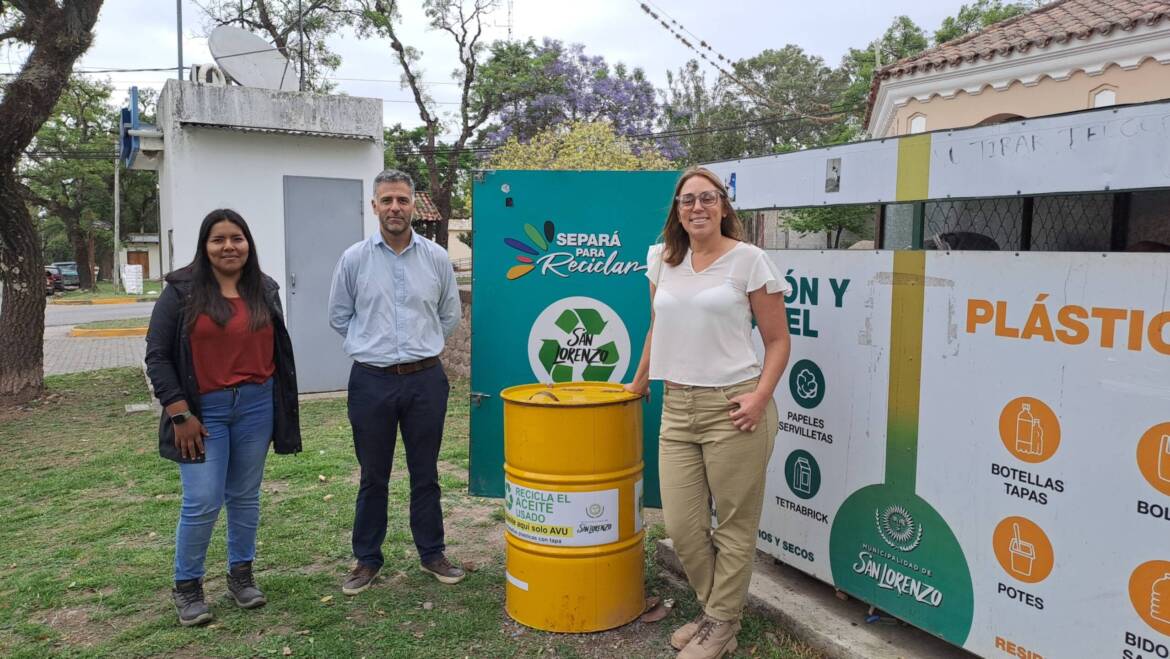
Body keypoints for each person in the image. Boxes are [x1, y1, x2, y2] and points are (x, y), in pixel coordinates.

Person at [626, 167, 792, 659]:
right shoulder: (661, 260)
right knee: (682, 527)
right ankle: (716, 614)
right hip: (677, 407)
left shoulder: (750, 261)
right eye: (687, 200)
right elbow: (659, 327)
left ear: (723, 206)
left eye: (707, 198)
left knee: (734, 527)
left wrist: (760, 397)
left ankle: (718, 626)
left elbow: (778, 340)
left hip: (734, 406)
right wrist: (637, 382)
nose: (697, 207)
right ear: (676, 211)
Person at [145, 209, 301, 626]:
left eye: (237, 238)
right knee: (201, 500)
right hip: (202, 411)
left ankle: (241, 575)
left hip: (256, 405)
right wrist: (180, 414)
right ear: (205, 245)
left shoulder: (264, 289)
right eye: (219, 239)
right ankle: (188, 586)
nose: (229, 246)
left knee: (245, 496)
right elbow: (157, 356)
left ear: (248, 243)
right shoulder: (181, 291)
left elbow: (276, 350)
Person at [328, 169, 463, 595]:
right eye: (386, 200)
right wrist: (372, 348)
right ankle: (367, 559)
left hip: (425, 380)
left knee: (426, 473)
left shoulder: (436, 258)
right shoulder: (354, 259)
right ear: (374, 207)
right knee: (373, 475)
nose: (394, 208)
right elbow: (339, 316)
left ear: (413, 206)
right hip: (371, 382)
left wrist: (422, 346)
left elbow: (449, 314)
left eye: (402, 200)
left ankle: (432, 553)